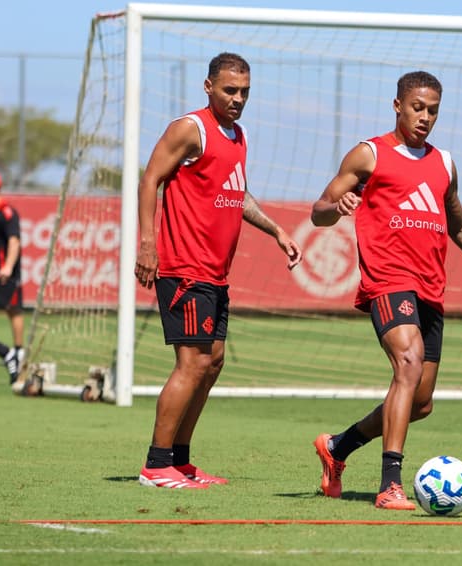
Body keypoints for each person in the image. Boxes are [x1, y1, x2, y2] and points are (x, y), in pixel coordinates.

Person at [310, 71, 462, 510]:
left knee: (419, 403)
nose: (425, 117)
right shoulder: (369, 154)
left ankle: (337, 448)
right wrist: (335, 208)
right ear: (397, 105)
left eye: (433, 110)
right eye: (417, 107)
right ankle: (390, 485)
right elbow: (318, 210)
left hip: (430, 289)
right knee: (408, 361)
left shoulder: (444, 164)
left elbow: (459, 227)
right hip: (388, 280)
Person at [133, 53, 302, 489]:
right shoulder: (190, 129)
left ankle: (181, 462)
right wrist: (148, 243)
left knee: (213, 363)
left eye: (245, 91)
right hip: (185, 267)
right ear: (208, 87)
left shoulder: (238, 135)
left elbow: (237, 195)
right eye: (230, 90)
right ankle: (155, 465)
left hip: (215, 273)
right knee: (192, 363)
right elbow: (150, 178)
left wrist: (277, 231)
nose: (238, 98)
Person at [0, 171, 24, 384]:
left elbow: (14, 242)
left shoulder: (6, 213)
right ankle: (8, 354)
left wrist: (7, 267)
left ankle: (15, 352)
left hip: (4, 277)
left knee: (14, 310)